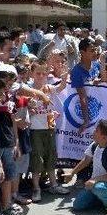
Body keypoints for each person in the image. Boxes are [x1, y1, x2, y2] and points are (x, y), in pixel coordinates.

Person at [27, 60, 70, 201]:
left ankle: (53, 184)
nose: (40, 76)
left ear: (47, 74)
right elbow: (21, 107)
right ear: (32, 74)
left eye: (43, 73)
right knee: (37, 158)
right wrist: (29, 108)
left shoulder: (48, 88)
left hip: (49, 127)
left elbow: (62, 87)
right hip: (35, 129)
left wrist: (64, 76)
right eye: (37, 73)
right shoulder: (28, 89)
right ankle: (36, 188)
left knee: (51, 155)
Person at [68, 119, 107, 215]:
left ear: (104, 138)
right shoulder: (94, 146)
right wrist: (72, 173)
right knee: (77, 205)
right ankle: (101, 198)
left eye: (96, 131)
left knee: (98, 188)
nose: (93, 132)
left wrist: (95, 179)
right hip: (94, 183)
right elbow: (86, 161)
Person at [70, 38, 101, 135]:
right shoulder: (76, 71)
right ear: (82, 52)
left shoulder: (97, 65)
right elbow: (82, 97)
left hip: (101, 109)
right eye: (92, 50)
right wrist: (86, 120)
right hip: (87, 114)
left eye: (95, 49)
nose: (95, 52)